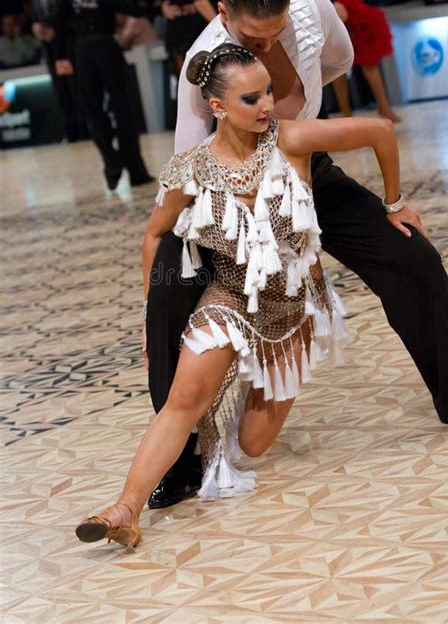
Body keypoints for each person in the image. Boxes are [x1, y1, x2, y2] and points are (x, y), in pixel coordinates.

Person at [146, 0, 448, 511]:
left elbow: (340, 62)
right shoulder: (203, 62)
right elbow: (187, 161)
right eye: (254, 37)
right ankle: (182, 464)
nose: (268, 47)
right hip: (226, 196)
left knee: (412, 256)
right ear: (224, 14)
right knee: (167, 309)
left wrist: (392, 200)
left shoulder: (312, 7)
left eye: (275, 33)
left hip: (304, 170)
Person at [76, 42, 406, 549]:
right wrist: (152, 315)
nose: (268, 105)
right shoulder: (190, 169)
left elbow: (381, 131)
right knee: (184, 398)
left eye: (269, 92)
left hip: (293, 312)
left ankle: (256, 384)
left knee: (252, 444)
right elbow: (153, 237)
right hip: (228, 299)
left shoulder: (292, 140)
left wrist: (395, 203)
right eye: (252, 99)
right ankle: (125, 509)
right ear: (218, 107)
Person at [55, 0, 154, 190]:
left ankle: (111, 163)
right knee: (124, 110)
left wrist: (61, 57)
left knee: (92, 111)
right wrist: (153, 4)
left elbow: (57, 25)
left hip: (83, 52)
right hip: (106, 48)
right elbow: (132, 8)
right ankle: (136, 172)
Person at [30, 0, 83, 143]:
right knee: (61, 93)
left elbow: (75, 19)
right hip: (51, 52)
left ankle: (86, 130)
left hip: (69, 50)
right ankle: (71, 132)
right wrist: (37, 28)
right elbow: (38, 19)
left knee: (77, 89)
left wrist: (57, 30)